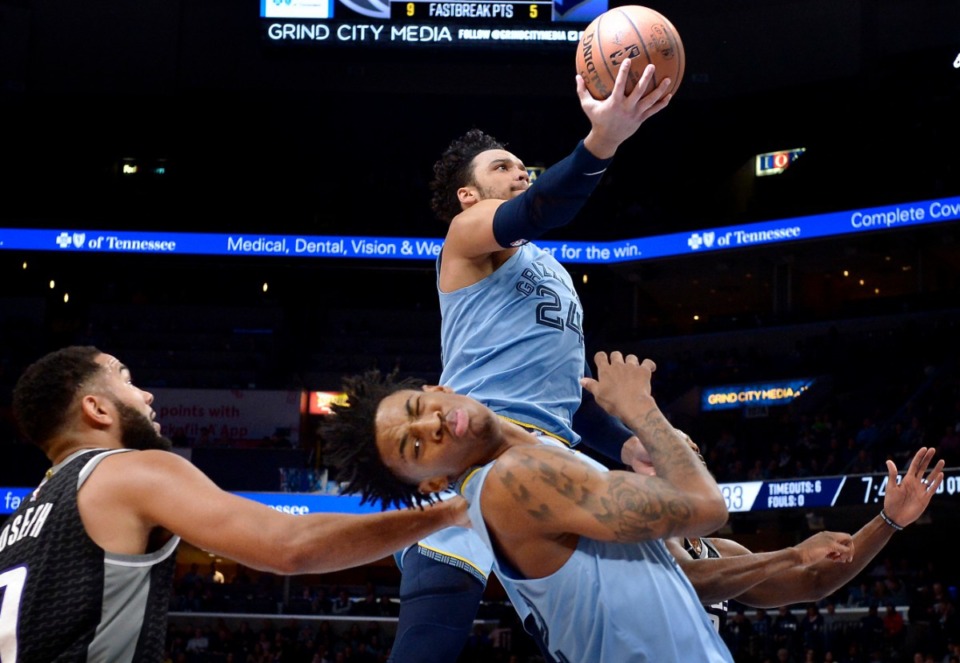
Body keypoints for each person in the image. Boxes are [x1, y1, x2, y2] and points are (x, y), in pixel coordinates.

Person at [386, 57, 675, 662]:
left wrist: (625, 445)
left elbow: (564, 389)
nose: (519, 173)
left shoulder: (553, 270)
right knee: (436, 623)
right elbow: (543, 207)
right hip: (471, 440)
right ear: (469, 193)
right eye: (502, 167)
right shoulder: (467, 233)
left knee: (591, 626)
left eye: (522, 166)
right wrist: (605, 137)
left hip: (549, 449)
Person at [321, 350, 858, 662]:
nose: (430, 424)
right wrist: (642, 410)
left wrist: (631, 452)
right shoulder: (514, 479)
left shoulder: (536, 457)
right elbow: (704, 506)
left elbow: (675, 562)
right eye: (414, 447)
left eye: (417, 408)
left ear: (437, 388)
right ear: (429, 482)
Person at [0, 345, 469, 662]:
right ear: (97, 409)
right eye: (125, 379)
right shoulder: (128, 470)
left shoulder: (17, 524)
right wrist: (452, 511)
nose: (146, 394)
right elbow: (289, 545)